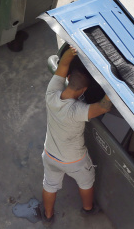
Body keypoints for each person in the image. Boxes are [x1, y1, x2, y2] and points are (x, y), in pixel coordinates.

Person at [41, 45, 112, 226]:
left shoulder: (51, 93)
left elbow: (63, 66)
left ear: (69, 78)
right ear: (83, 91)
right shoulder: (77, 111)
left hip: (49, 154)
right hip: (74, 161)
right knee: (86, 182)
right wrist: (113, 85)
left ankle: (48, 216)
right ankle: (88, 209)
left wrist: (71, 51)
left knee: (50, 184)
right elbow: (104, 106)